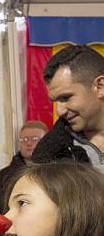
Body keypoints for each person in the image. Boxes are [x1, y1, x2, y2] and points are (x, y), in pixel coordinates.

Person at [32, 44, 104, 172]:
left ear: (100, 87)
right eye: (55, 101)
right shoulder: (49, 158)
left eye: (66, 97)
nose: (59, 111)